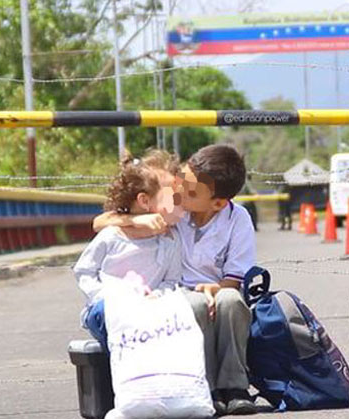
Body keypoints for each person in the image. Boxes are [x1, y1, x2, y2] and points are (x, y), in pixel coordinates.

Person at [92, 144, 257, 416]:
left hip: (220, 290)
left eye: (190, 191)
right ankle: (206, 386)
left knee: (232, 302)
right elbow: (100, 222)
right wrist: (137, 221)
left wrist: (217, 289)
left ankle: (236, 386)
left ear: (218, 203)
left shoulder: (237, 219)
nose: (180, 191)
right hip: (176, 292)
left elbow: (234, 276)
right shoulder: (174, 211)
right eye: (182, 181)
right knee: (192, 305)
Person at [74, 153, 183, 351]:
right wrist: (103, 296)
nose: (181, 200)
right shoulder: (113, 235)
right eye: (173, 196)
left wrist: (156, 296)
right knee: (110, 316)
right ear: (144, 200)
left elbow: (171, 280)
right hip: (107, 306)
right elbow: (85, 270)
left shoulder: (169, 240)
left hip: (151, 306)